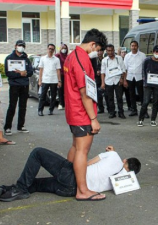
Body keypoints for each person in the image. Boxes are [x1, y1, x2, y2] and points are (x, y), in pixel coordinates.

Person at [0, 146, 141, 202]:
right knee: (35, 184)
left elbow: (85, 164)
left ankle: (19, 188)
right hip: (69, 191)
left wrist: (112, 153)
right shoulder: (124, 182)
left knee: (37, 153)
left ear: (125, 159)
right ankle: (4, 191)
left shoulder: (114, 156)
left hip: (72, 176)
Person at [63, 28, 107, 200]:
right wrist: (94, 119)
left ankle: (69, 182)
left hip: (74, 111)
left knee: (76, 147)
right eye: (97, 50)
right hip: (81, 112)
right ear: (93, 44)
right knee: (82, 150)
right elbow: (85, 92)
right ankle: (82, 190)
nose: (97, 53)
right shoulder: (81, 58)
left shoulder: (72, 55)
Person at [3, 40, 33, 136]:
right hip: (14, 85)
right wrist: (20, 73)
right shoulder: (9, 58)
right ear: (15, 46)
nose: (21, 47)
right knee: (12, 106)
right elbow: (8, 73)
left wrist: (25, 73)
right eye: (20, 45)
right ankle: (7, 127)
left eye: (23, 46)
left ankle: (21, 126)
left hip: (24, 85)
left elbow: (30, 72)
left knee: (23, 106)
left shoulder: (26, 59)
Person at [137, 45, 158, 127]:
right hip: (148, 84)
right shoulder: (147, 60)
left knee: (155, 102)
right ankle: (140, 119)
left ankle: (153, 120)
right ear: (153, 52)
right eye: (156, 52)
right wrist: (145, 82)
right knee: (145, 102)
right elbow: (143, 71)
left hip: (157, 85)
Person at [101, 44, 127, 119]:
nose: (110, 52)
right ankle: (112, 112)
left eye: (112, 50)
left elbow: (123, 70)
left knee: (119, 98)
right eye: (108, 51)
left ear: (114, 50)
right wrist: (103, 83)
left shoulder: (119, 58)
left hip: (118, 81)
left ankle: (121, 112)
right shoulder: (104, 60)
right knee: (110, 98)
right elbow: (103, 73)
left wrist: (123, 79)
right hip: (108, 81)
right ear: (106, 51)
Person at [124, 41, 146, 117]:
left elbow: (145, 68)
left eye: (135, 46)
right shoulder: (127, 56)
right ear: (130, 47)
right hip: (130, 77)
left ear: (137, 46)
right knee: (131, 94)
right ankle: (134, 110)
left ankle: (144, 111)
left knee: (142, 94)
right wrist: (124, 80)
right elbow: (125, 69)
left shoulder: (142, 55)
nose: (134, 47)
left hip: (139, 77)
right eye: (132, 46)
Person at [38, 44, 61, 116]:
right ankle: (40, 110)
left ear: (54, 50)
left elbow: (58, 70)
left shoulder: (56, 59)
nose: (50, 50)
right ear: (47, 49)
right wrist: (40, 80)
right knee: (43, 96)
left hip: (54, 80)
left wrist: (59, 81)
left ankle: (51, 110)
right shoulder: (43, 58)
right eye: (49, 48)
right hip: (45, 80)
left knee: (53, 96)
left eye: (52, 49)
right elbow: (41, 70)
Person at [91, 48, 108, 114]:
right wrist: (96, 72)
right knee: (99, 95)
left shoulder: (105, 59)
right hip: (97, 79)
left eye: (101, 51)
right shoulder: (94, 60)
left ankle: (109, 108)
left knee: (107, 95)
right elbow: (91, 68)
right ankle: (101, 108)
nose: (100, 52)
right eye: (98, 51)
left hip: (105, 79)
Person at [55, 43, 68, 110]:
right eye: (62, 48)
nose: (64, 49)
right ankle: (60, 103)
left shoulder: (68, 56)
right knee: (60, 89)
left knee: (66, 90)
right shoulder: (58, 56)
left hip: (67, 75)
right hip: (60, 74)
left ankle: (66, 103)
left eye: (65, 48)